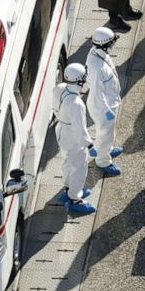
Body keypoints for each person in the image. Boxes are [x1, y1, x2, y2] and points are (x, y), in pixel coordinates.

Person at [52, 64, 95, 215]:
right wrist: (89, 145)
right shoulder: (77, 104)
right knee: (79, 167)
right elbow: (80, 130)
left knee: (67, 161)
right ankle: (75, 198)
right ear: (80, 81)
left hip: (62, 132)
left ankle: (68, 188)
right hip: (73, 139)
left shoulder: (60, 88)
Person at [85, 27, 123, 177]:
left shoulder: (97, 52)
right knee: (104, 133)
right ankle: (103, 160)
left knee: (107, 132)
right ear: (105, 44)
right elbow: (97, 91)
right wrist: (106, 109)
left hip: (108, 102)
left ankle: (106, 148)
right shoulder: (96, 67)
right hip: (103, 106)